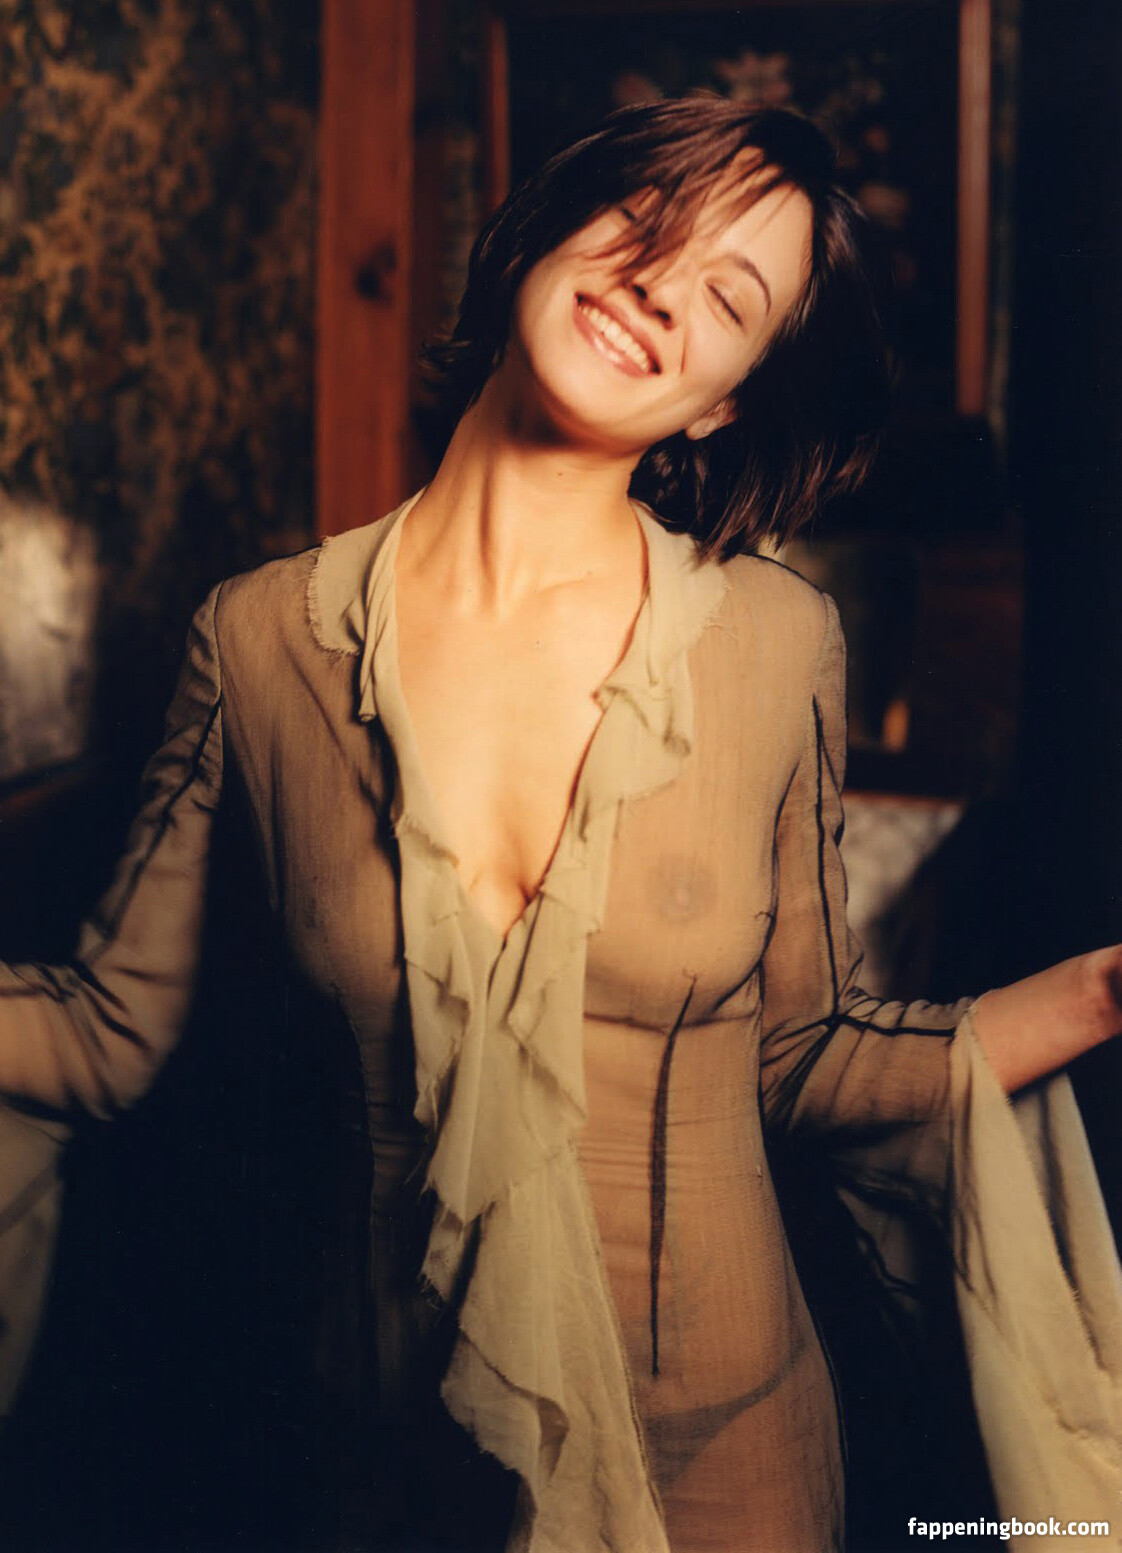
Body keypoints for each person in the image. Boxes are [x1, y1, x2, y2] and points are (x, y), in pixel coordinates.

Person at [0, 98, 1119, 1553]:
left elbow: (803, 1055)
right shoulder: (260, 640)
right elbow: (111, 1032)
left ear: (722, 401)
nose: (659, 285)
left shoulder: (776, 643)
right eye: (646, 221)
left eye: (729, 297)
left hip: (732, 1465)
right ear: (541, 231)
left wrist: (1103, 992)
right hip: (388, 1471)